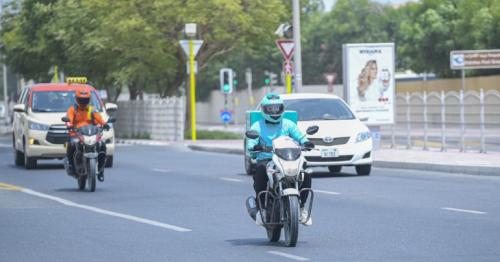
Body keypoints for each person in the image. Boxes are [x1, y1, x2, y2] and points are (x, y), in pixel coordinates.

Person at [246, 93, 315, 226]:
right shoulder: (257, 126)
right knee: (260, 172)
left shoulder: (288, 124)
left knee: (305, 174)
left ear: (282, 108)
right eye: (270, 109)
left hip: (286, 158)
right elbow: (251, 143)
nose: (274, 112)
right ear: (263, 110)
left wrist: (306, 142)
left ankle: (301, 208)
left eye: (277, 108)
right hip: (267, 159)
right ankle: (262, 210)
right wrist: (255, 146)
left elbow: (300, 136)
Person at [65, 87, 109, 181]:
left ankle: (101, 171)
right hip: (77, 134)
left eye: (85, 99)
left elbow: (99, 118)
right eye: (81, 99)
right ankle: (71, 165)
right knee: (71, 145)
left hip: (92, 134)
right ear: (77, 99)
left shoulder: (91, 109)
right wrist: (69, 125)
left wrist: (104, 124)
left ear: (88, 100)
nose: (83, 101)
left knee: (103, 145)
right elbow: (69, 119)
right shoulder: (73, 110)